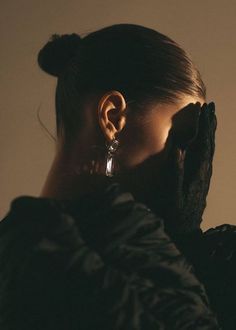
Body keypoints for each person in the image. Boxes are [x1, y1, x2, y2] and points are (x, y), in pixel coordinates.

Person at [0, 23, 235, 329]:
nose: (187, 161)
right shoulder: (56, 255)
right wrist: (179, 239)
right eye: (182, 138)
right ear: (112, 116)